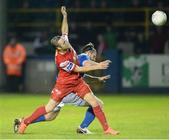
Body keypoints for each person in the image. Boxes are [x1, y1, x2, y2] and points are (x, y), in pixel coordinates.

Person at [15, 6, 119, 135]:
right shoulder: (61, 60)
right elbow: (79, 68)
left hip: (77, 83)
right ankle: (25, 122)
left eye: (64, 39)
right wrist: (98, 66)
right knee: (49, 110)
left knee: (95, 102)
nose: (65, 41)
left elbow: (64, 31)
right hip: (64, 86)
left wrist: (64, 16)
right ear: (59, 48)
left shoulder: (65, 44)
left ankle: (106, 129)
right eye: (63, 42)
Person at [14, 42, 110, 134]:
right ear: (89, 52)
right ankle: (83, 127)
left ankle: (23, 121)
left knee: (50, 116)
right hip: (69, 91)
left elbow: (83, 77)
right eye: (94, 55)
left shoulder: (77, 58)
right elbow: (87, 64)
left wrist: (98, 79)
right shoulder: (84, 57)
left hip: (62, 89)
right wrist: (99, 65)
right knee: (98, 104)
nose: (94, 58)